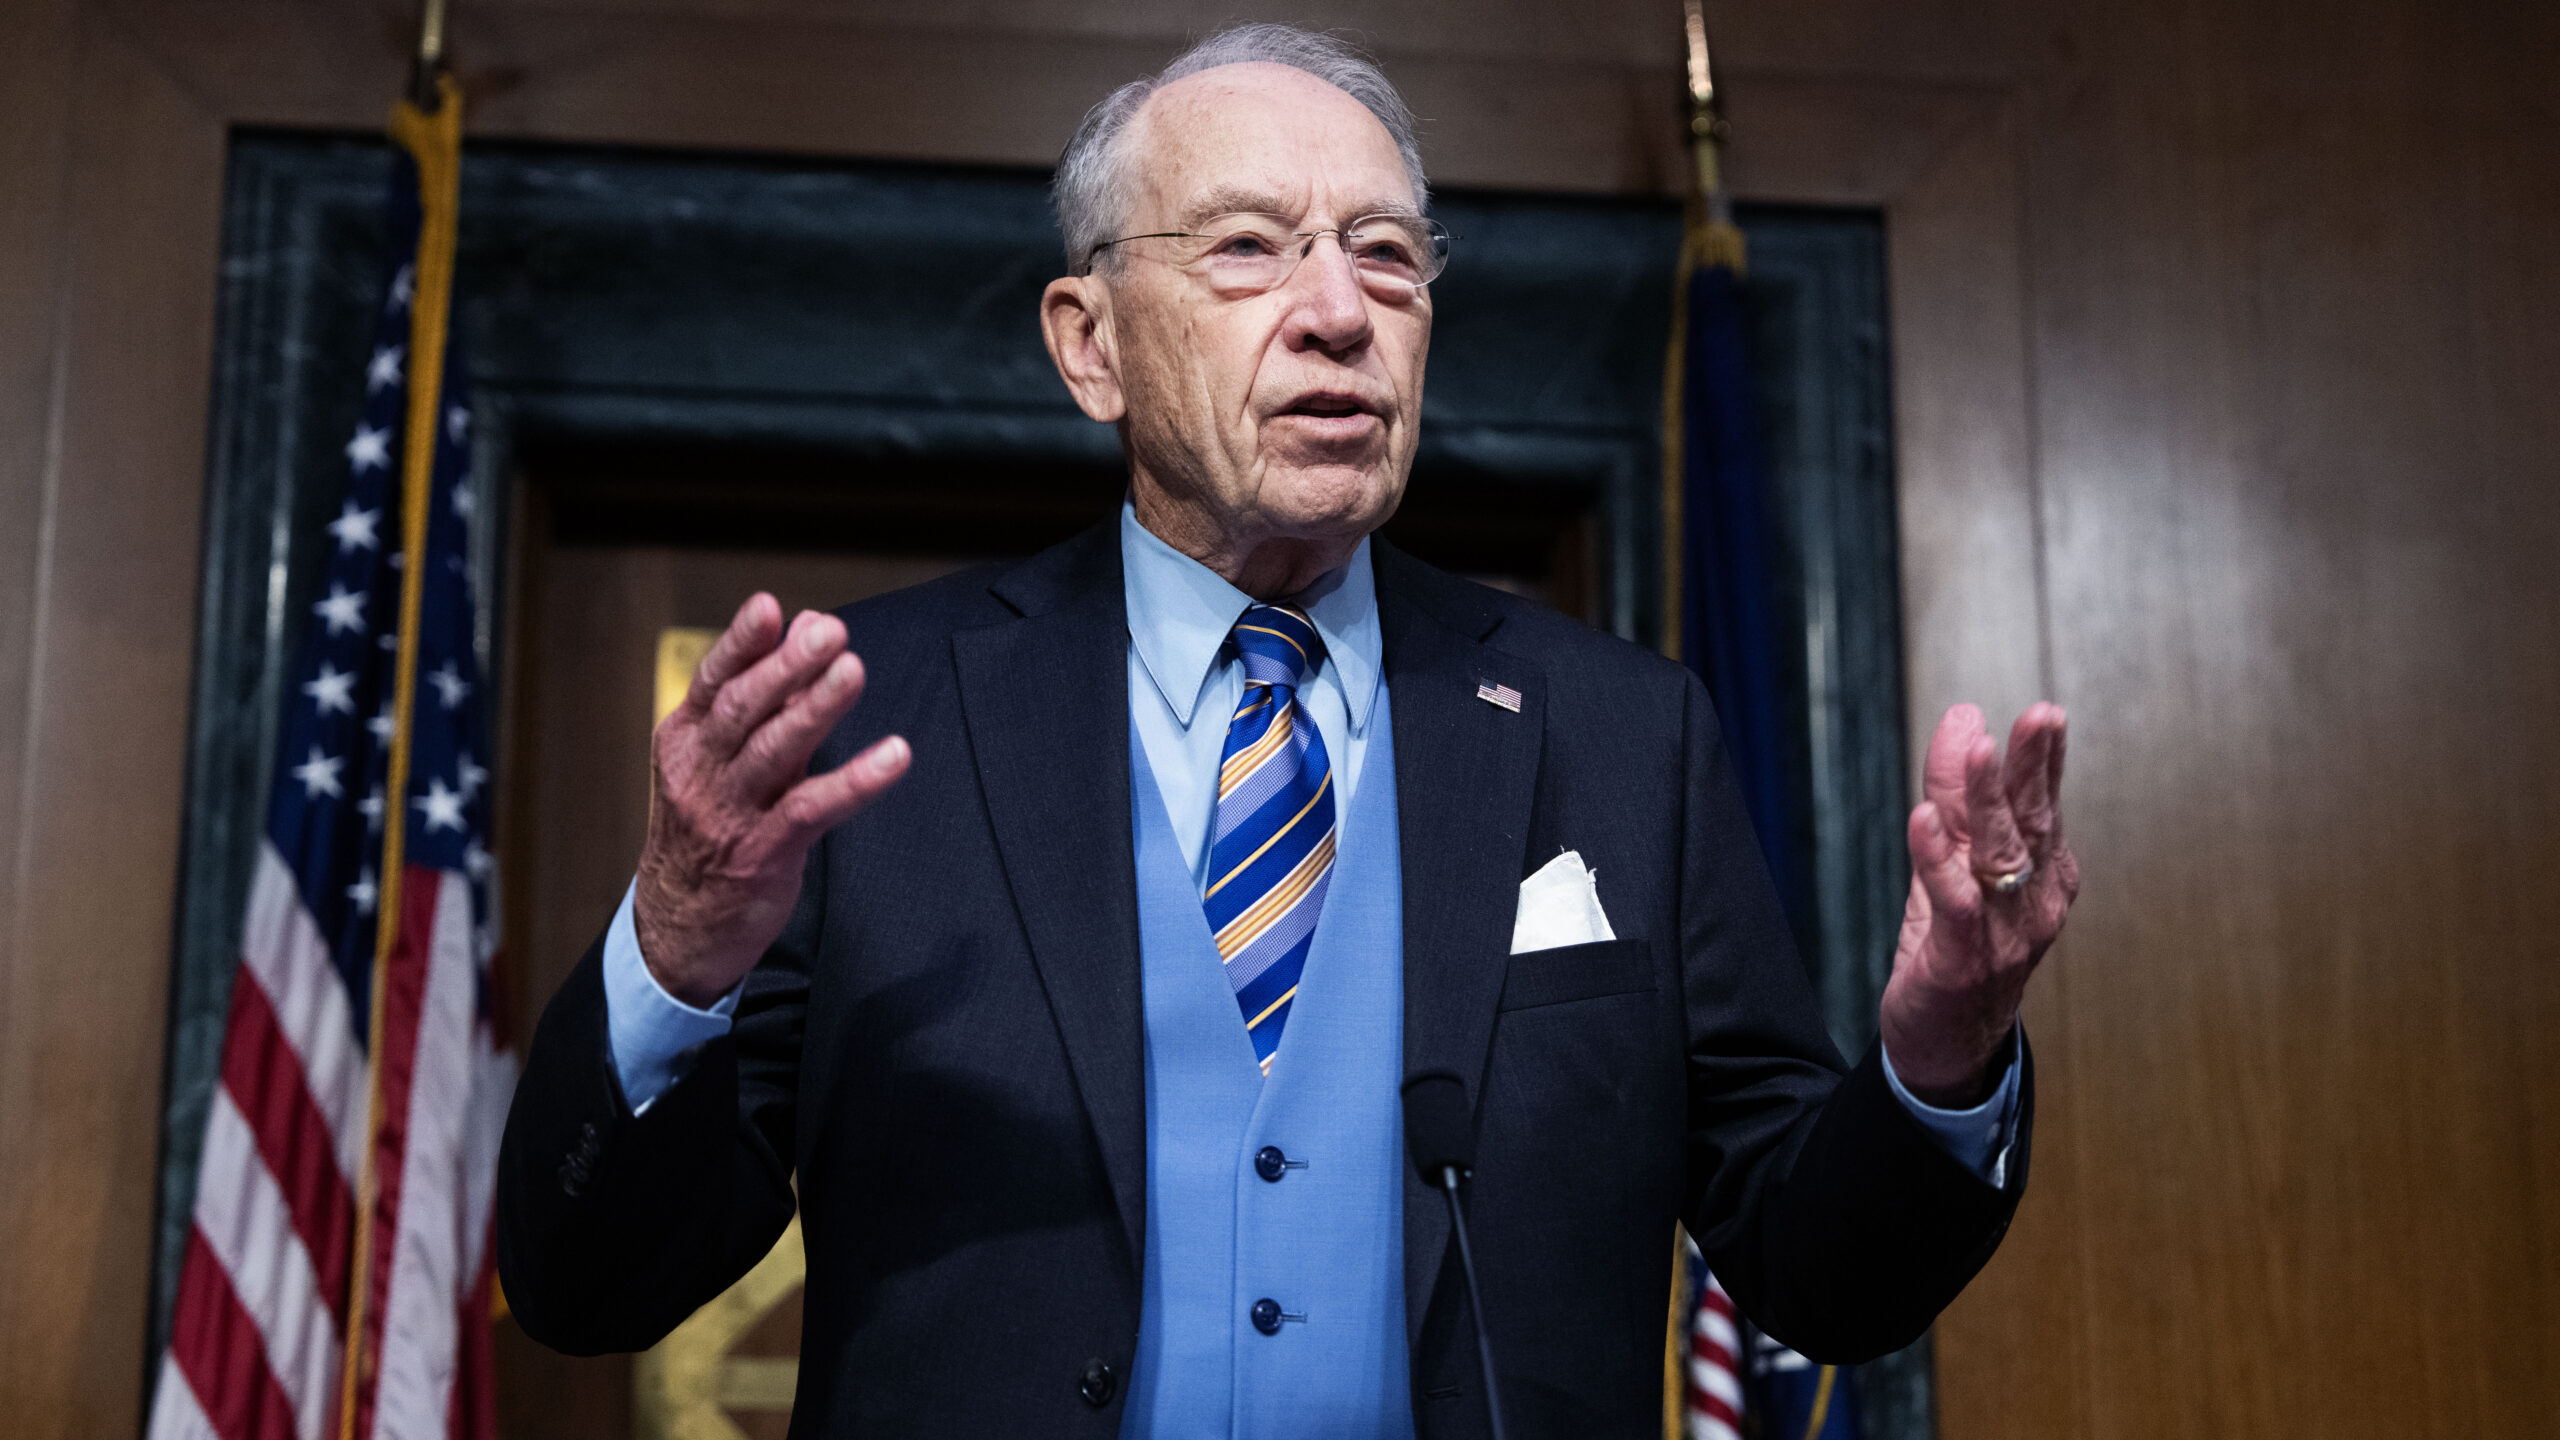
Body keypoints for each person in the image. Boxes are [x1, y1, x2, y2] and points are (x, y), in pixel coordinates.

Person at [496, 23, 2079, 1439]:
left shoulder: (1619, 734)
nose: (1340, 312)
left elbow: (1822, 1276)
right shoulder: (880, 724)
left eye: (1388, 256)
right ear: (1090, 344)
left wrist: (1942, 1060)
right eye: (1249, 248)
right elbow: (593, 1287)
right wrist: (681, 947)